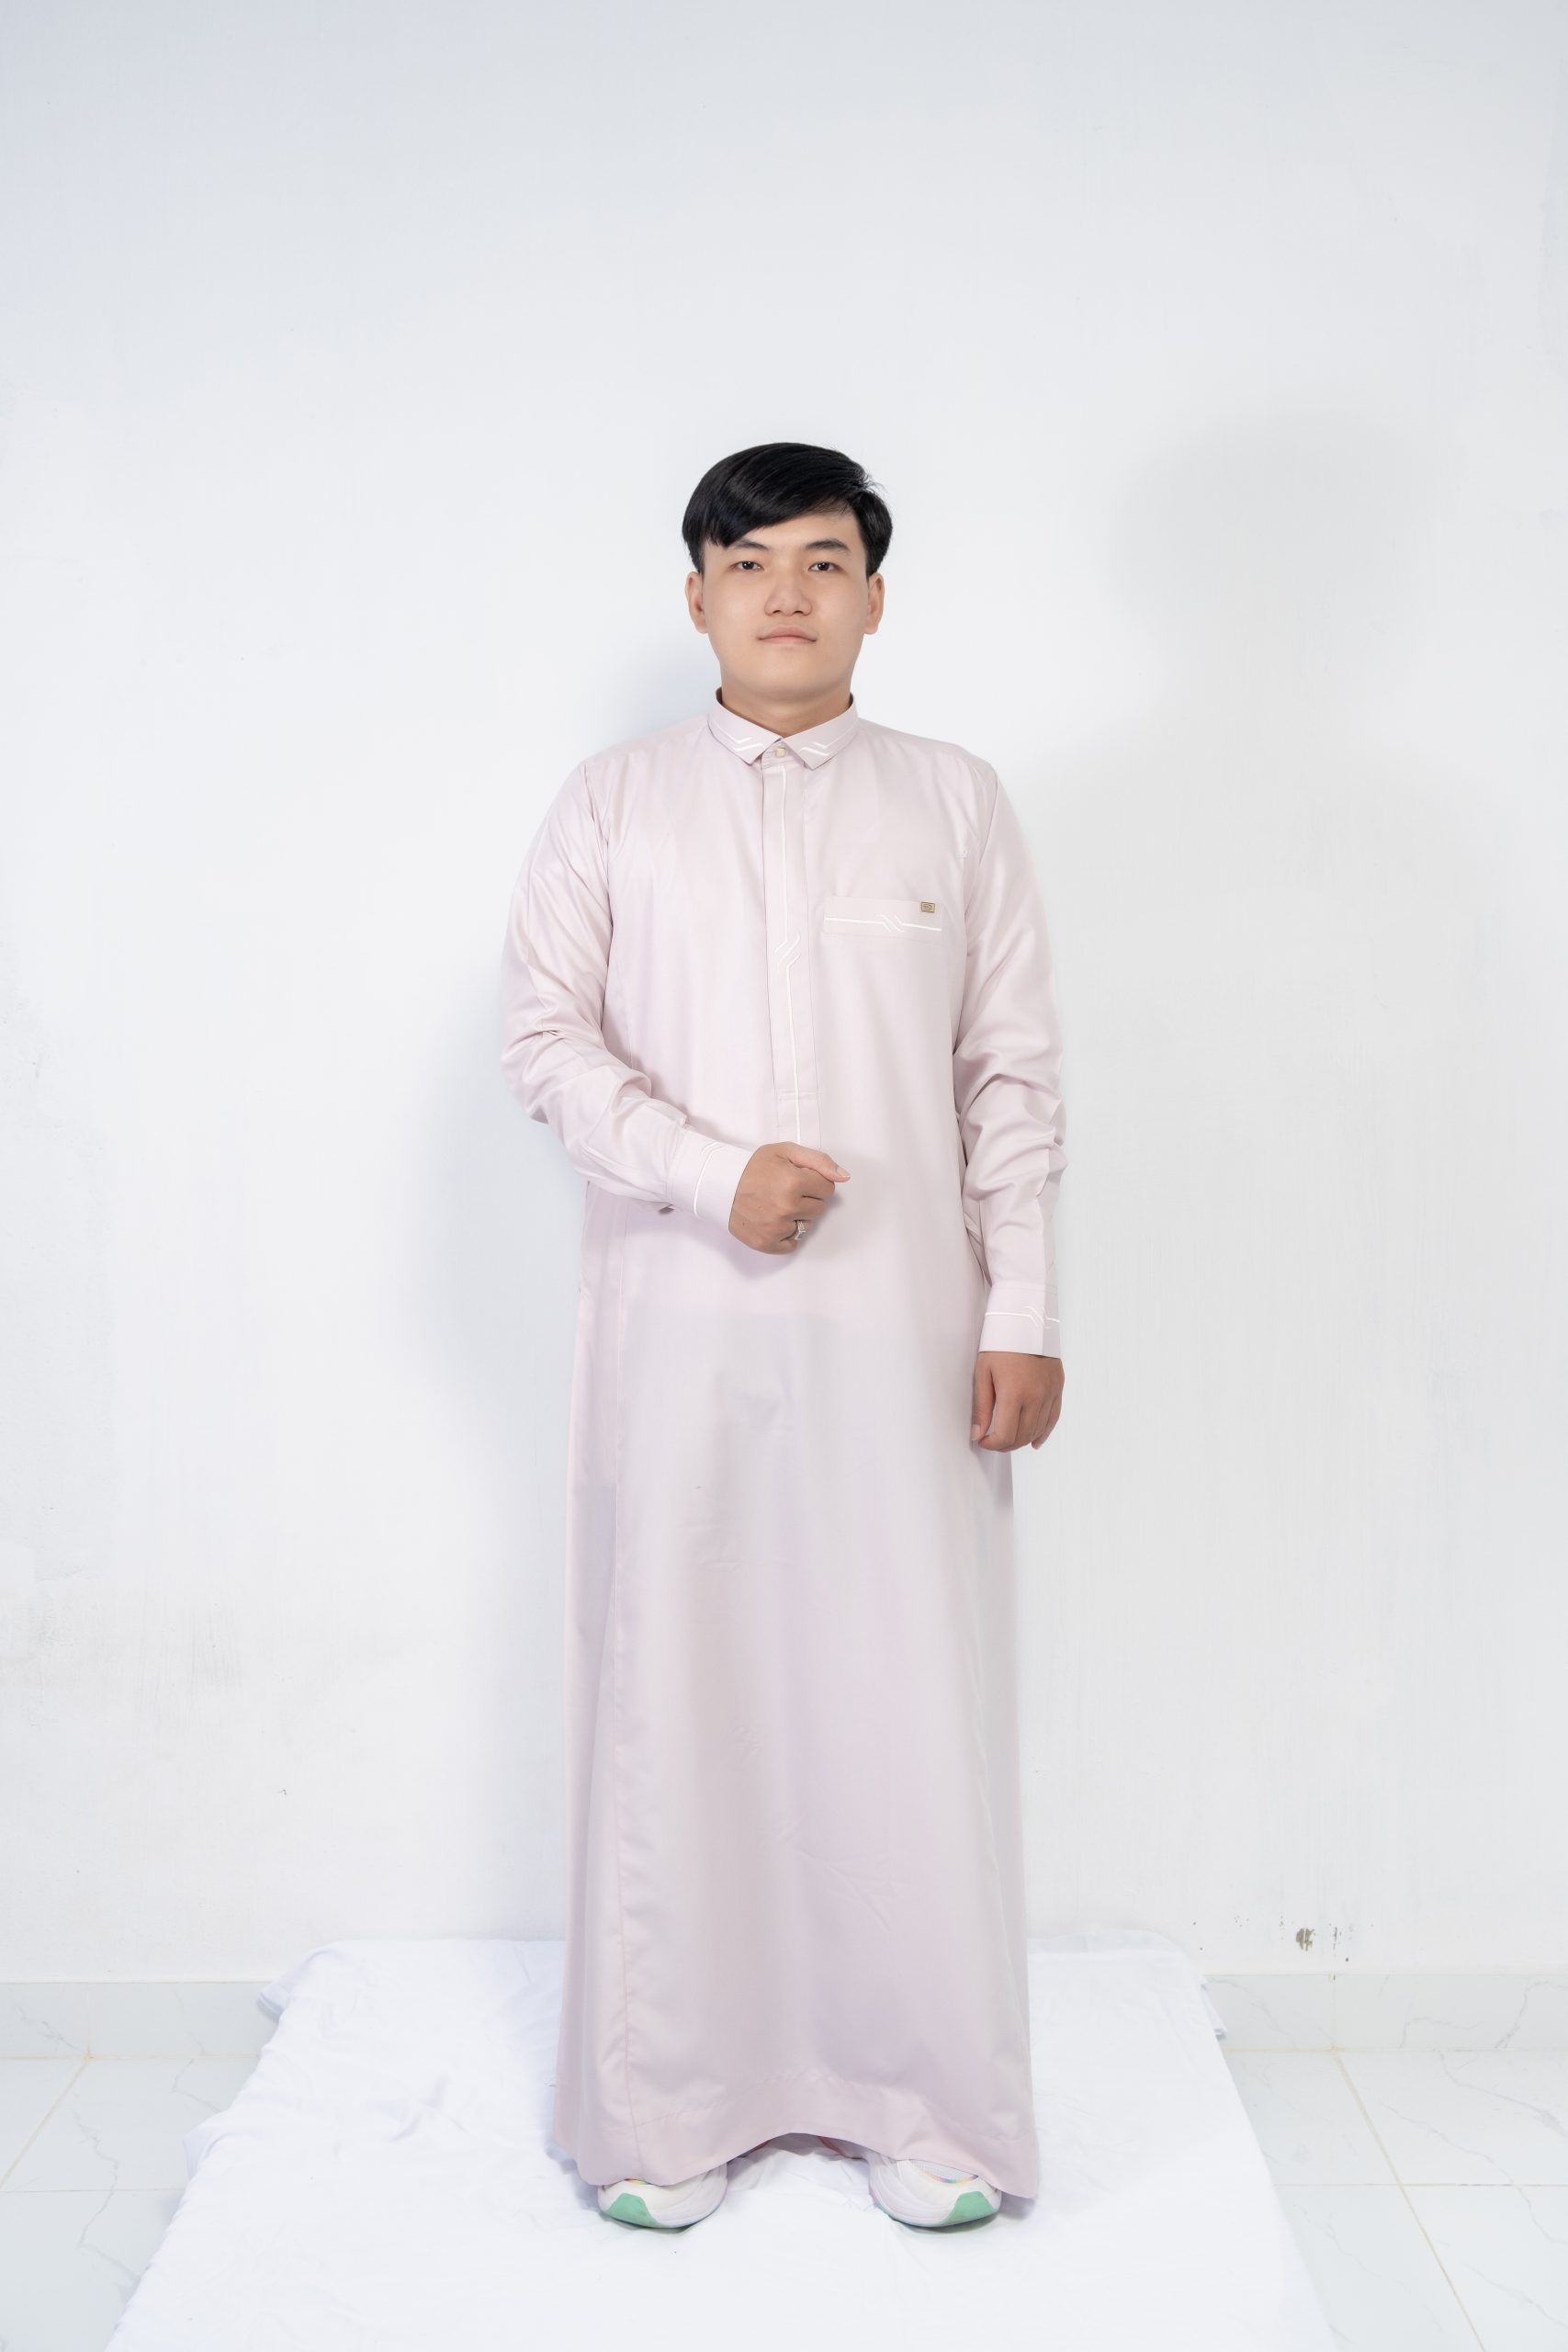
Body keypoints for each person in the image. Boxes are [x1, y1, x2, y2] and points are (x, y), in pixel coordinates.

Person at [498, 441, 1066, 2233]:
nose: (786, 595)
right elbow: (543, 1040)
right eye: (747, 564)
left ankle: (928, 2102)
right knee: (679, 1694)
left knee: (907, 1698)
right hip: (679, 1322)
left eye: (823, 562)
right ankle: (670, 2105)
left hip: (910, 1336)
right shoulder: (612, 804)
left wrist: (1025, 1307)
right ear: (696, 599)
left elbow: (1008, 1071)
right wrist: (706, 1170)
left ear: (875, 598)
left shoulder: (952, 801)